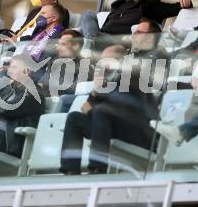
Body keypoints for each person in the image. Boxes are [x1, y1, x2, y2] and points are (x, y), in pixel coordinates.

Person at [60, 45, 160, 174]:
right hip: (112, 127)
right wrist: (95, 91)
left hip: (139, 132)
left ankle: (97, 168)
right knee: (75, 118)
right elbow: (87, 107)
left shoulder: (134, 76)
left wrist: (93, 109)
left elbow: (118, 109)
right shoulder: (107, 80)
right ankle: (70, 169)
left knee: (100, 112)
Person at [38, 29, 92, 97]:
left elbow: (72, 92)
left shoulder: (84, 68)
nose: (58, 48)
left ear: (76, 46)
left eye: (63, 44)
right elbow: (42, 83)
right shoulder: (55, 61)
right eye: (58, 44)